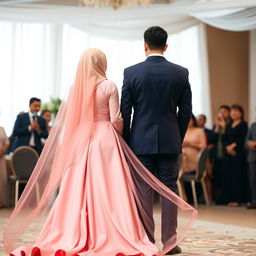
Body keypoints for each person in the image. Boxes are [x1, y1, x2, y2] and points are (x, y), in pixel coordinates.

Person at [3, 49, 197, 256]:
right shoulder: (108, 85)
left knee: (77, 187)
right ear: (101, 63)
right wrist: (122, 136)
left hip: (81, 141)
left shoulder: (74, 89)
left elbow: (71, 122)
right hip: (105, 139)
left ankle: (70, 233)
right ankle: (124, 233)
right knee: (111, 185)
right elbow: (116, 118)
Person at [121, 26, 192, 255]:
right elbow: (185, 112)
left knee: (143, 190)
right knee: (169, 189)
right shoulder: (181, 73)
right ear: (166, 46)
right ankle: (170, 243)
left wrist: (128, 142)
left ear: (144, 45)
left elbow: (126, 112)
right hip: (170, 140)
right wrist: (176, 137)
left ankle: (147, 241)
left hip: (140, 142)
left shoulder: (131, 73)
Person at [221, 105, 248, 206]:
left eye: (236, 111)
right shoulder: (228, 125)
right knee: (230, 176)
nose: (233, 113)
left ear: (241, 113)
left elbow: (242, 137)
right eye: (232, 111)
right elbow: (224, 138)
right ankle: (230, 198)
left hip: (238, 153)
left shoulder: (244, 124)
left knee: (238, 176)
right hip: (228, 153)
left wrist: (233, 146)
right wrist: (228, 147)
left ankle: (238, 199)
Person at [211, 105, 231, 203]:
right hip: (216, 156)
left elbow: (227, 139)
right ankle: (218, 199)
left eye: (225, 112)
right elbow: (212, 141)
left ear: (228, 113)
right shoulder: (216, 125)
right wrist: (218, 127)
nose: (222, 114)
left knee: (225, 178)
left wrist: (224, 128)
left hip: (226, 155)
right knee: (216, 178)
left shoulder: (230, 125)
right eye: (221, 112)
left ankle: (225, 199)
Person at [196, 114, 214, 204]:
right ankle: (198, 198)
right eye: (197, 119)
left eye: (201, 119)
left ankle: (209, 198)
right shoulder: (192, 131)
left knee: (207, 176)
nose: (198, 121)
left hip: (206, 157)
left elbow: (212, 144)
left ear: (204, 121)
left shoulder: (209, 132)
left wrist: (205, 149)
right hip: (195, 158)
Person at [246, 122, 256, 209]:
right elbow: (247, 139)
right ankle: (254, 201)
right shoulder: (253, 125)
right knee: (253, 180)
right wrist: (249, 143)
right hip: (253, 157)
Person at [0, 126, 10, 207]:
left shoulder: (2, 129)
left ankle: (2, 202)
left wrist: (2, 151)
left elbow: (6, 142)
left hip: (1, 156)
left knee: (2, 179)